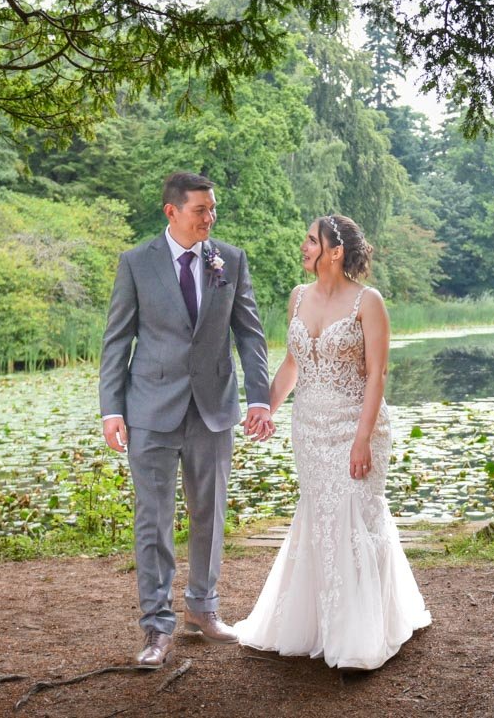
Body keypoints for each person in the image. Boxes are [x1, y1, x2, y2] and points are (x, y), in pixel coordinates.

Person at [235, 214, 430, 669]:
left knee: (356, 515)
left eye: (310, 240)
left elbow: (377, 375)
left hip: (356, 425)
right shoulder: (297, 298)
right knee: (321, 519)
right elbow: (292, 365)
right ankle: (323, 624)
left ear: (334, 251)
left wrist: (362, 438)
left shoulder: (368, 302)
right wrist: (265, 408)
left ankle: (363, 632)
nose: (303, 247)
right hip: (310, 428)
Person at [98, 171, 273, 669]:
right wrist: (112, 408)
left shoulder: (230, 260)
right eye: (201, 210)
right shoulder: (135, 264)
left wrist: (258, 398)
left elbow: (251, 335)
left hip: (213, 409)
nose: (210, 217)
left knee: (209, 514)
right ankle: (156, 627)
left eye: (213, 209)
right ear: (171, 211)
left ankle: (204, 607)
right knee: (153, 519)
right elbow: (117, 340)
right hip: (150, 410)